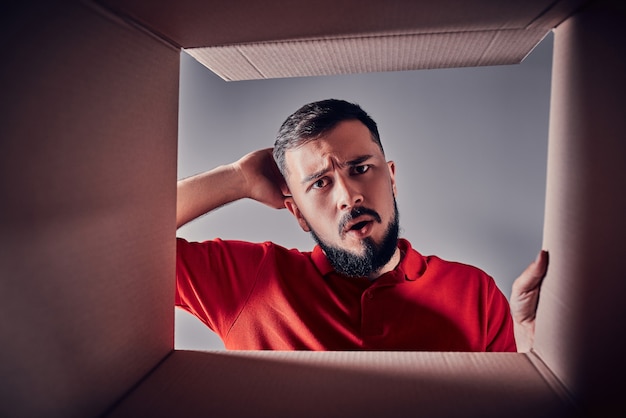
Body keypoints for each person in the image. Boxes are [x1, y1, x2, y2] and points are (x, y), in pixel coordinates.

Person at [176, 99, 547, 352]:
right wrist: (237, 178)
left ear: (392, 179)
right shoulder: (248, 283)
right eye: (320, 183)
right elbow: (121, 248)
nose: (349, 196)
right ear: (298, 214)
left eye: (361, 169)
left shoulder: (475, 292)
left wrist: (532, 357)